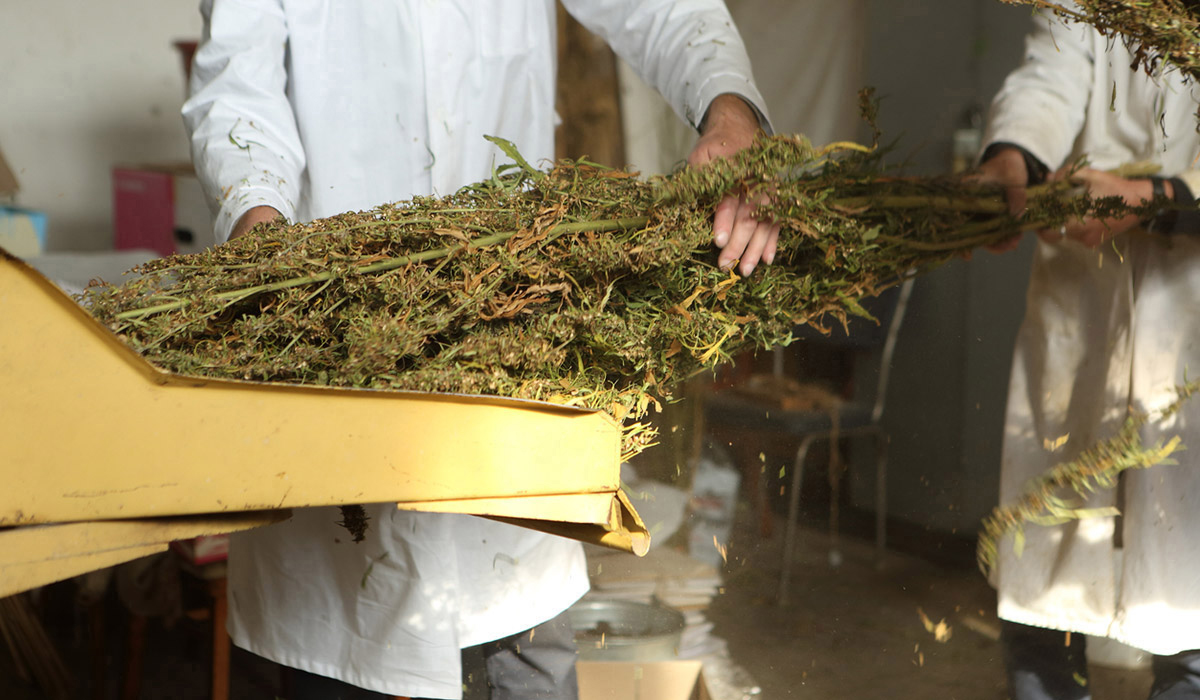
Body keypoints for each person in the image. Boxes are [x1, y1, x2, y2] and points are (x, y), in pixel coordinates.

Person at [181, 2, 775, 698]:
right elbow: (238, 82)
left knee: (524, 646)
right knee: (349, 657)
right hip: (339, 361)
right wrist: (263, 232)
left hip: (513, 361)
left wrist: (731, 111)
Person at [975, 3, 1200, 699]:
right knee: (1045, 588)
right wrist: (1013, 156)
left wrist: (1160, 196)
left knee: (1191, 607)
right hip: (1086, 297)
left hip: (1189, 308)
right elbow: (1054, 63)